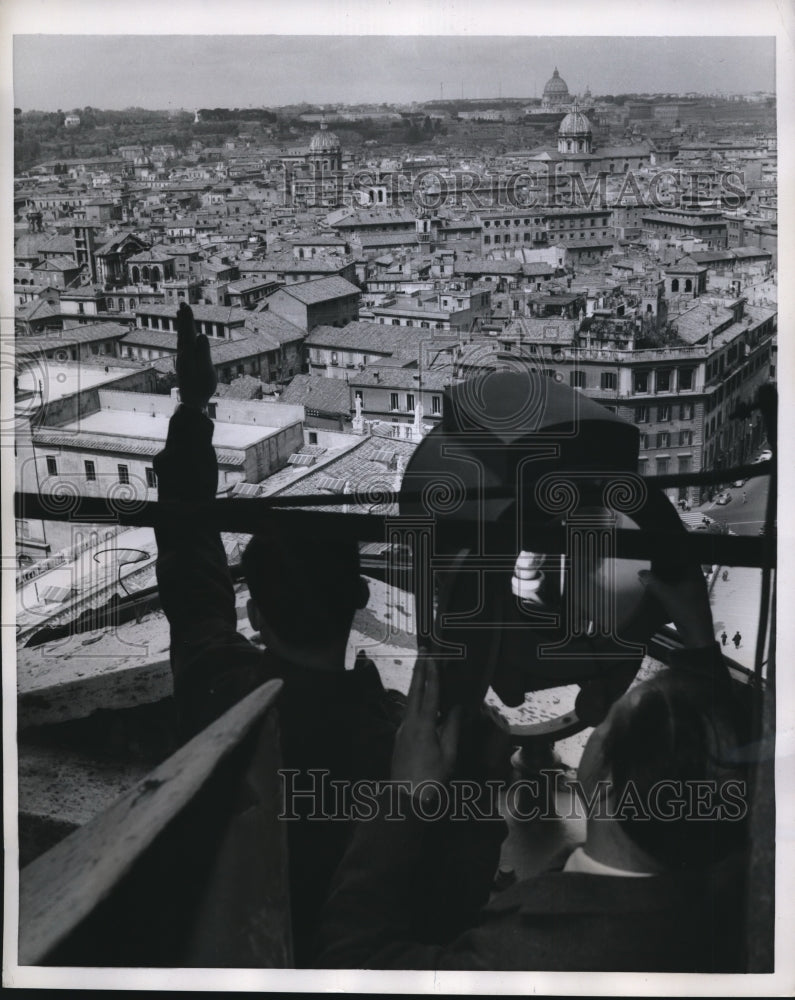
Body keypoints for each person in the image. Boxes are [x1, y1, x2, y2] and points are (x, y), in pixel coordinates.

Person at [316, 565, 749, 972]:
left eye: (612, 720)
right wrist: (700, 649)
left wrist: (405, 795)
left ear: (604, 778)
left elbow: (350, 956)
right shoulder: (727, 890)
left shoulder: (526, 956)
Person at [153, 304, 403, 965]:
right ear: (358, 601)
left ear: (255, 614)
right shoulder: (392, 736)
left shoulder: (221, 687)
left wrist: (194, 406)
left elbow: (188, 558)